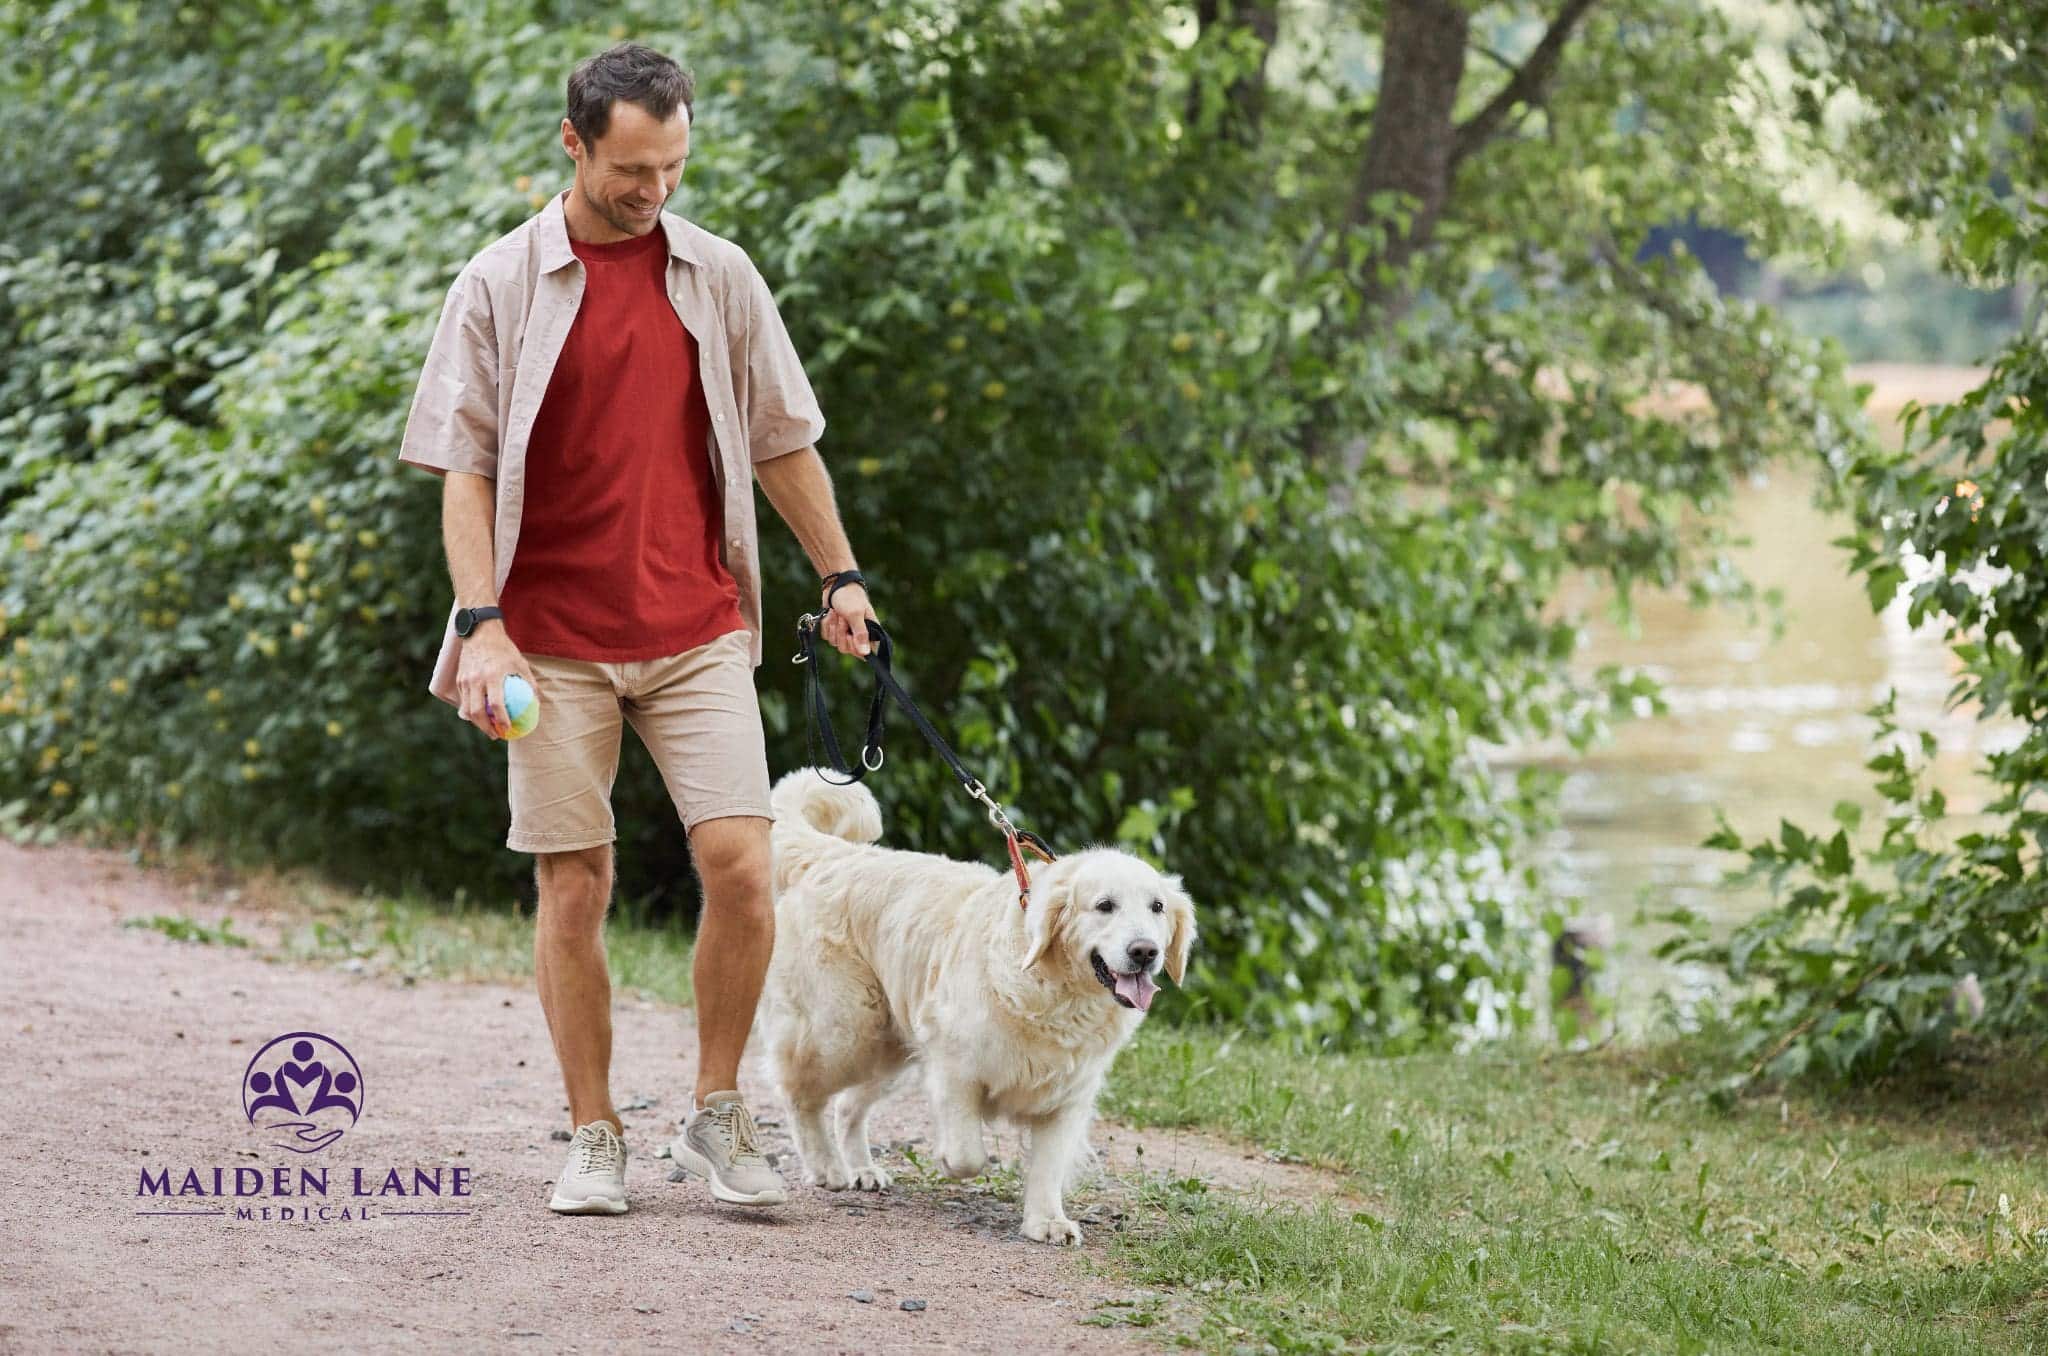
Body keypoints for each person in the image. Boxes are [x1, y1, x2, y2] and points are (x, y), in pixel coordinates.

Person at [396, 41, 878, 1216]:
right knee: (576, 885)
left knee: (743, 868)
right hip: (545, 638)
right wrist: (483, 624)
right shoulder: (500, 284)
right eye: (628, 170)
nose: (652, 191)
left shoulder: (719, 276)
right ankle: (593, 1132)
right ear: (572, 144)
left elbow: (780, 437)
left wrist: (841, 575)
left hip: (696, 624)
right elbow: (460, 468)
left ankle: (717, 1115)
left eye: (670, 166)